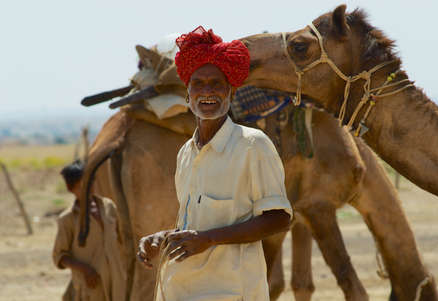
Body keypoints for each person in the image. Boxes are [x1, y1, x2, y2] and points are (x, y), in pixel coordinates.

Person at [137, 26, 292, 301]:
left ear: (230, 92)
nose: (207, 91)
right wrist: (162, 238)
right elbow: (195, 224)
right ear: (187, 94)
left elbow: (278, 218)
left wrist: (209, 239)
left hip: (230, 291)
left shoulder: (253, 145)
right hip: (179, 290)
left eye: (216, 84)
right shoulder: (186, 153)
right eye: (198, 84)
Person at [52, 160, 126, 301]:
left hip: (116, 282)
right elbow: (60, 256)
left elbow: (120, 240)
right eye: (82, 185)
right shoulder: (67, 219)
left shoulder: (108, 207)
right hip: (89, 286)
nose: (89, 188)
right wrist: (85, 270)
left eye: (90, 182)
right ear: (71, 188)